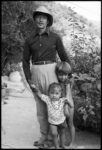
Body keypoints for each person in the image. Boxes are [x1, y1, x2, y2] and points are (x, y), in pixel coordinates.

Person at [22, 5, 72, 147]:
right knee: (40, 107)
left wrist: (70, 75)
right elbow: (25, 61)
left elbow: (64, 57)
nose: (41, 19)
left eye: (44, 17)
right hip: (36, 71)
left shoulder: (55, 38)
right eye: (38, 16)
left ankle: (53, 138)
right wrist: (28, 78)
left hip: (51, 70)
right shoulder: (29, 39)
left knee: (54, 103)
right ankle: (44, 137)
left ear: (48, 21)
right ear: (35, 19)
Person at [31, 82, 72, 149]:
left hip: (62, 120)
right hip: (52, 122)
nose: (54, 95)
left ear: (60, 94)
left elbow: (71, 105)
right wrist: (35, 88)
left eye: (56, 93)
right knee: (54, 134)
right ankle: (56, 147)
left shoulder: (62, 100)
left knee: (62, 133)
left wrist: (68, 104)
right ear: (48, 93)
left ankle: (62, 144)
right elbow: (40, 95)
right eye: (52, 93)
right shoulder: (48, 99)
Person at [55, 61, 75, 148]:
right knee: (60, 125)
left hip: (69, 106)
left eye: (65, 75)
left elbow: (66, 97)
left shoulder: (67, 82)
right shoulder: (57, 82)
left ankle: (72, 143)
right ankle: (61, 143)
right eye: (61, 74)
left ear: (68, 75)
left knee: (70, 124)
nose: (63, 77)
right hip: (61, 106)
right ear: (57, 73)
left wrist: (66, 107)